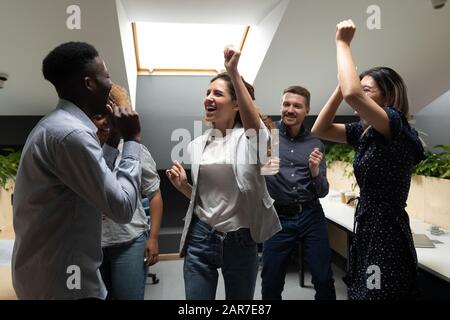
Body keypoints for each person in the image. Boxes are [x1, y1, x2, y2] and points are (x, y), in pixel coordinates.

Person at [11, 42, 142, 300]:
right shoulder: (72, 135)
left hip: (47, 280)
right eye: (106, 76)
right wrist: (133, 140)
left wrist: (114, 139)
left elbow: (90, 184)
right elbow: (122, 207)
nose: (111, 84)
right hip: (65, 287)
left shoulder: (54, 126)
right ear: (89, 83)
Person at [311, 20, 425, 299]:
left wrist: (342, 44)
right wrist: (340, 87)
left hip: (386, 231)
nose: (360, 93)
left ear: (386, 97)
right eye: (361, 87)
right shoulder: (368, 132)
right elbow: (320, 129)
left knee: (375, 294)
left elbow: (353, 95)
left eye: (368, 90)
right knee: (364, 291)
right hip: (368, 225)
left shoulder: (395, 124)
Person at [166, 46, 281, 300]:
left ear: (237, 104)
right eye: (207, 92)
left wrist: (233, 71)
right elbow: (209, 199)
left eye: (217, 93)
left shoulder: (251, 139)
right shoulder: (197, 145)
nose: (208, 97)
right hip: (201, 236)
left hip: (240, 241)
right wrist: (184, 187)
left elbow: (256, 130)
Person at [261, 86, 336, 300]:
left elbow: (322, 191)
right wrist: (262, 164)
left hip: (311, 215)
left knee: (323, 279)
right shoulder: (268, 137)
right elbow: (256, 176)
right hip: (277, 217)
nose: (290, 110)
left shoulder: (315, 143)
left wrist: (315, 172)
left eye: (297, 106)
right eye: (286, 104)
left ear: (307, 111)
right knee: (271, 282)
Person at [91, 85, 163, 300]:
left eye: (110, 115)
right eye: (97, 116)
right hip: (93, 243)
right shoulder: (82, 147)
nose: (105, 122)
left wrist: (153, 238)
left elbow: (155, 195)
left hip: (130, 240)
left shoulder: (135, 149)